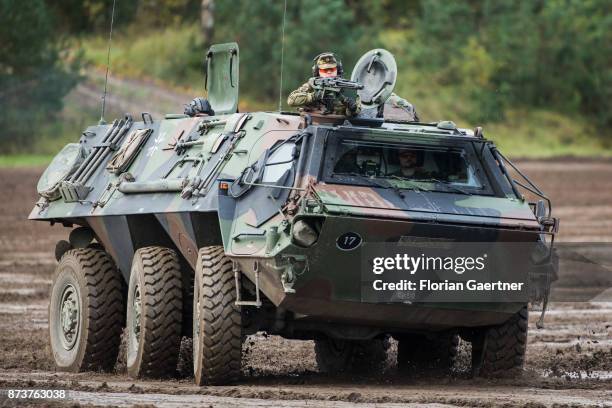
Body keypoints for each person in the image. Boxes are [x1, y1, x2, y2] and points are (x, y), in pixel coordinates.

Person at [287, 52, 360, 116]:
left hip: (337, 124)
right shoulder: (312, 85)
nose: (329, 72)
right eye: (325, 70)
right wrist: (313, 96)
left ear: (338, 69)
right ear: (317, 72)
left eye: (332, 69)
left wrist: (352, 108)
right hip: (314, 122)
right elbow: (291, 100)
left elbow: (354, 114)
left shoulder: (346, 87)